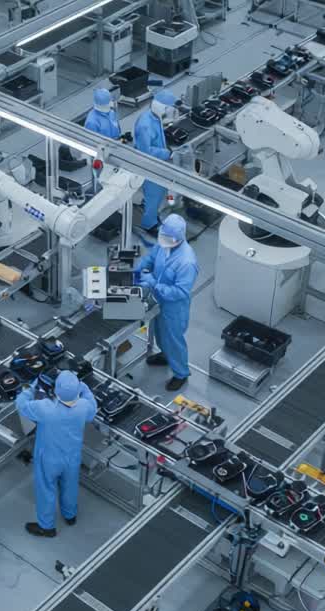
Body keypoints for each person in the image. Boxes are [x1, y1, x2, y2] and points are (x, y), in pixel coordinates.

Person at [15, 371, 97, 537]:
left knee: (46, 489)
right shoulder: (83, 406)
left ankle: (47, 527)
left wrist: (31, 387)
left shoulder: (45, 408)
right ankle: (70, 515)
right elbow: (92, 406)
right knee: (70, 485)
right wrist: (81, 386)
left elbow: (21, 404)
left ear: (56, 389)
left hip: (48, 458)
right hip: (72, 456)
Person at [137, 213, 198, 391]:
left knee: (173, 339)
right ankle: (165, 355)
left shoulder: (187, 262)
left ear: (179, 238)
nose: (163, 240)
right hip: (157, 300)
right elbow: (151, 258)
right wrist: (139, 269)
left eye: (167, 238)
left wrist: (153, 283)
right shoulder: (164, 243)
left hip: (174, 307)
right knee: (158, 332)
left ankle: (181, 373)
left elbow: (180, 291)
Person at [134, 89, 176, 234]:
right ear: (162, 107)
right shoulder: (145, 124)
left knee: (156, 195)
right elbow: (144, 151)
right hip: (148, 165)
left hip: (156, 163)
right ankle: (149, 225)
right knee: (153, 195)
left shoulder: (154, 118)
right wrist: (166, 153)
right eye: (168, 108)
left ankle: (152, 215)